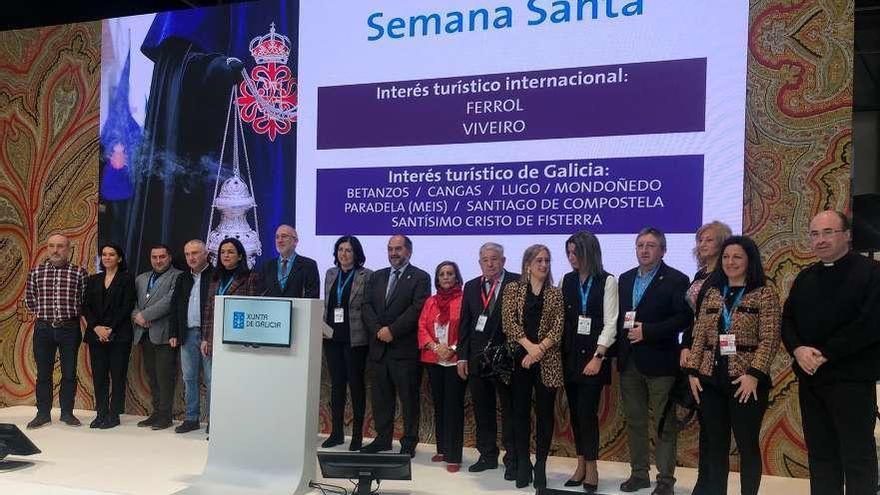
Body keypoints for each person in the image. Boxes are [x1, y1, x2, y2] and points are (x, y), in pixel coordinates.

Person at [781, 210, 880, 495]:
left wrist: (824, 354)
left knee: (857, 456)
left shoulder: (871, 273)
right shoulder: (805, 277)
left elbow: (869, 324)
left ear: (847, 235)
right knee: (821, 456)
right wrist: (798, 349)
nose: (820, 240)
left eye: (828, 232)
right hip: (812, 381)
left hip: (851, 380)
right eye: (814, 234)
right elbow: (788, 320)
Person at [686, 236, 781, 495]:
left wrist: (754, 374)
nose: (730, 262)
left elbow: (770, 338)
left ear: (749, 260)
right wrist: (693, 372)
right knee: (715, 446)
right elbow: (699, 336)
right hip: (710, 381)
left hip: (745, 384)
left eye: (737, 257)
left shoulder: (764, 292)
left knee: (747, 445)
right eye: (726, 257)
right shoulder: (713, 291)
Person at [616, 227, 691, 495]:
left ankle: (665, 481)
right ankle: (639, 475)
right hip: (629, 363)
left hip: (661, 363)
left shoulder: (676, 279)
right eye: (640, 245)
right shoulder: (624, 279)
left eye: (650, 245)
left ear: (663, 250)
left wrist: (647, 331)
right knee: (635, 421)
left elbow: (683, 319)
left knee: (663, 423)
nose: (644, 250)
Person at [361, 235, 430, 457]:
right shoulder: (377, 276)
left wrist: (392, 330)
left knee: (409, 400)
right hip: (378, 350)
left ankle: (409, 443)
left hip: (404, 351)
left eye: (398, 249)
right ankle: (382, 440)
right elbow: (366, 305)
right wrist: (378, 330)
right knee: (381, 399)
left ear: (408, 251)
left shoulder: (420, 277)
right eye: (390, 249)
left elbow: (417, 309)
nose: (393, 253)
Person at [501, 244, 564, 489]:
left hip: (547, 361)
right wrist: (529, 347)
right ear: (528, 264)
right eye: (539, 260)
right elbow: (509, 323)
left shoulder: (555, 293)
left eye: (547, 260)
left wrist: (538, 351)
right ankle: (523, 464)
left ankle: (541, 465)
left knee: (545, 416)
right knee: (519, 414)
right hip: (520, 359)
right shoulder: (512, 289)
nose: (544, 265)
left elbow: (558, 328)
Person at [560, 232, 618, 494]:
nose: (572, 258)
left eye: (577, 253)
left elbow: (611, 322)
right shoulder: (566, 280)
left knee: (587, 414)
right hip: (570, 357)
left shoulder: (607, 281)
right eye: (569, 253)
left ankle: (592, 467)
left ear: (590, 252)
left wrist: (598, 356)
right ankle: (580, 463)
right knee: (574, 413)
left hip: (594, 357)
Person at [456, 242, 519, 478]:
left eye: (495, 259)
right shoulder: (471, 286)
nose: (490, 263)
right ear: (479, 262)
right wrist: (462, 356)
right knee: (483, 410)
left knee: (510, 410)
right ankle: (487, 455)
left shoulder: (517, 282)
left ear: (503, 261)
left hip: (506, 359)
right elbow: (465, 324)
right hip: (477, 359)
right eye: (485, 259)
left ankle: (512, 458)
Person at [680, 220, 731, 493]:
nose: (702, 244)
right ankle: (704, 483)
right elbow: (693, 317)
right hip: (696, 353)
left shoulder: (727, 274)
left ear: (723, 242)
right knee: (706, 425)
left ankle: (715, 487)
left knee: (718, 429)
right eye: (700, 239)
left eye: (709, 239)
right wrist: (685, 345)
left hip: (719, 356)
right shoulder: (700, 274)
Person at [24, 234, 88, 429]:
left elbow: (84, 300)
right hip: (43, 328)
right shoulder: (36, 272)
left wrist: (70, 316)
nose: (55, 250)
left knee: (69, 372)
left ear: (68, 249)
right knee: (44, 373)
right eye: (52, 246)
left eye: (60, 246)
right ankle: (42, 414)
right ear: (47, 249)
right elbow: (29, 299)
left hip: (69, 328)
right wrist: (44, 314)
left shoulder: (79, 273)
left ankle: (67, 413)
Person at [321, 235, 372, 451]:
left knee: (356, 386)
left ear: (356, 253)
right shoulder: (330, 273)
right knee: (337, 387)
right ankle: (337, 433)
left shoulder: (366, 275)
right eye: (340, 249)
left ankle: (358, 435)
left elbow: (368, 307)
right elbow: (328, 304)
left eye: (348, 250)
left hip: (355, 338)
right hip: (332, 338)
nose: (344, 254)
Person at [82, 243, 137, 429]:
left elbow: (127, 306)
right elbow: (85, 306)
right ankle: (101, 414)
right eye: (104, 254)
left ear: (119, 258)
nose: (106, 257)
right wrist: (96, 327)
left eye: (111, 254)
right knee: (99, 376)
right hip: (96, 335)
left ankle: (114, 415)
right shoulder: (93, 279)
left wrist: (109, 329)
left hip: (119, 335)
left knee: (118, 375)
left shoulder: (127, 279)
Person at [418, 261, 466, 473]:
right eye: (442, 274)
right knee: (439, 405)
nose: (446, 277)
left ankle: (454, 456)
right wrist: (435, 347)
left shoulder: (464, 300)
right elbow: (421, 326)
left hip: (455, 361)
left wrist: (453, 348)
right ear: (437, 279)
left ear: (456, 277)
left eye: (450, 274)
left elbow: (467, 328)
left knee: (453, 407)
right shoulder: (430, 302)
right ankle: (443, 449)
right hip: (434, 360)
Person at [132, 244, 182, 430]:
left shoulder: (177, 276)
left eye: (162, 257)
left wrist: (145, 315)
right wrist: (136, 316)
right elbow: (133, 302)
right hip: (143, 335)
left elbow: (169, 301)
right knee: (152, 376)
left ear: (169, 257)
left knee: (164, 377)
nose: (158, 260)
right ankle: (156, 413)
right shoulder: (141, 278)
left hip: (164, 335)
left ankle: (165, 416)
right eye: (154, 257)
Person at [169, 240, 214, 434]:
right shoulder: (182, 278)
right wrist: (173, 333)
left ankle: (215, 421)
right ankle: (191, 418)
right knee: (189, 378)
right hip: (186, 334)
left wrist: (210, 336)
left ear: (206, 254)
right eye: (187, 254)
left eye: (195, 253)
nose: (191, 258)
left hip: (208, 336)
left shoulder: (215, 276)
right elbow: (175, 306)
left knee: (213, 379)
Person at [202, 237, 264, 358]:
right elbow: (209, 310)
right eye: (222, 252)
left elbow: (254, 308)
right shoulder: (215, 278)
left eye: (230, 252)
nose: (226, 255)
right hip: (214, 334)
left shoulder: (250, 277)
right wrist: (205, 338)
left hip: (239, 334)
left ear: (240, 256)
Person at [259, 225, 320, 298]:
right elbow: (261, 294)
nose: (280, 240)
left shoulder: (308, 265)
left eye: (284, 236)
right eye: (277, 237)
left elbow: (312, 296)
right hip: (273, 308)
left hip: (299, 309)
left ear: (295, 241)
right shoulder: (267, 266)